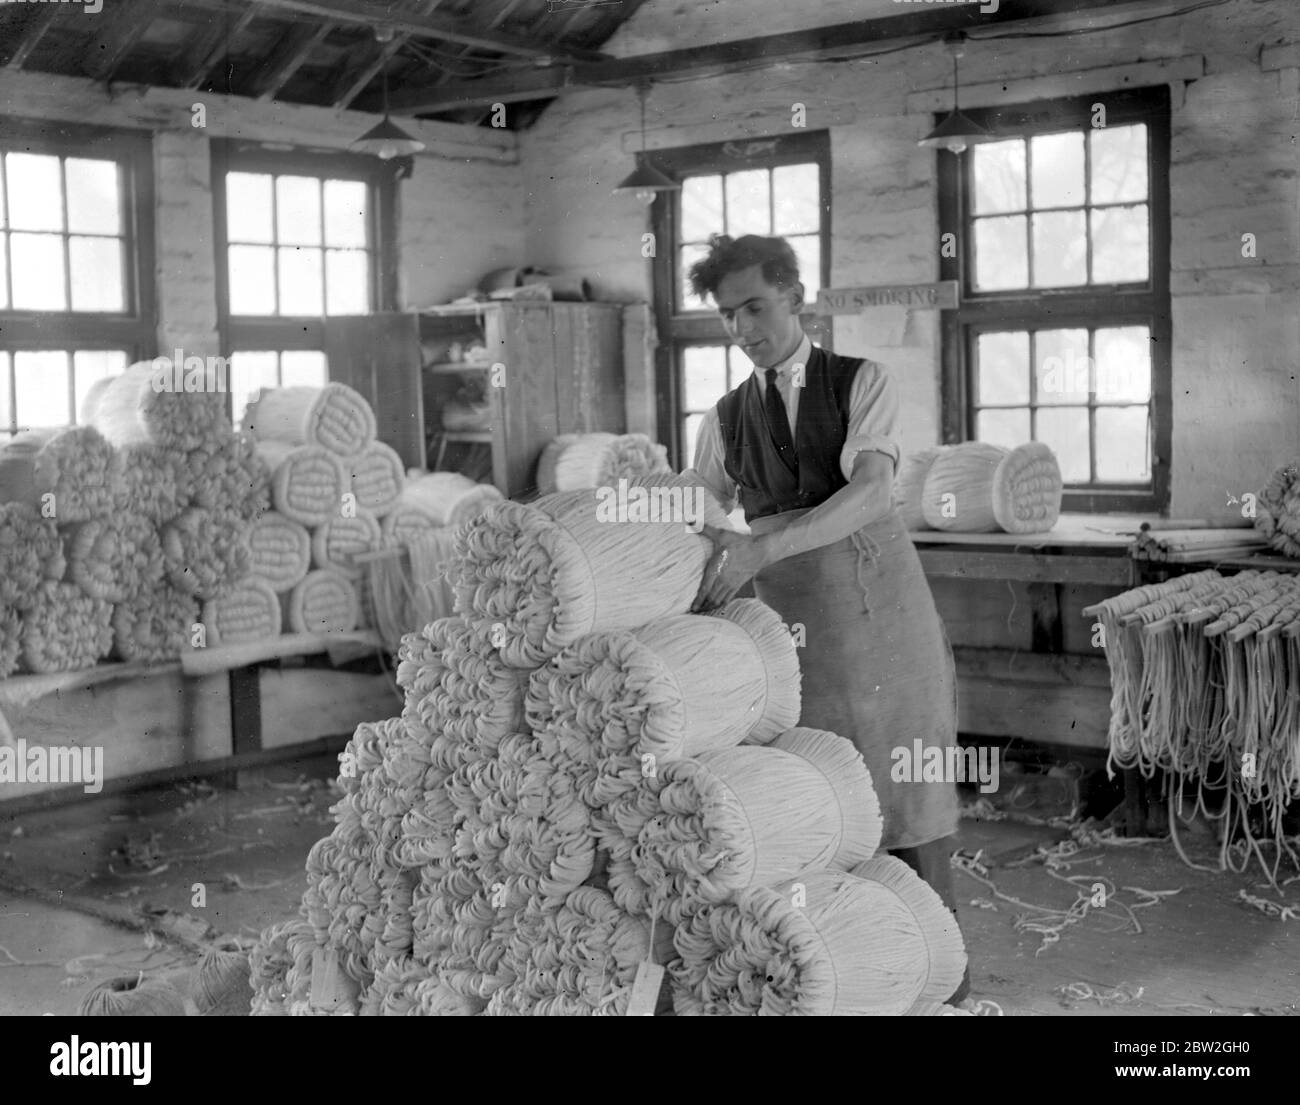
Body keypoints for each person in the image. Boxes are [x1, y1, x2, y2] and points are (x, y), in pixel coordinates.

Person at [684, 233, 971, 1005]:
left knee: (910, 778)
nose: (742, 328)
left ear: (796, 299)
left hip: (879, 604)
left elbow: (873, 490)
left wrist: (760, 542)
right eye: (726, 315)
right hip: (794, 618)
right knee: (822, 785)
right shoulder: (723, 417)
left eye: (755, 306)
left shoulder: (860, 381)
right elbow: (697, 506)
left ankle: (940, 970)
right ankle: (856, 965)